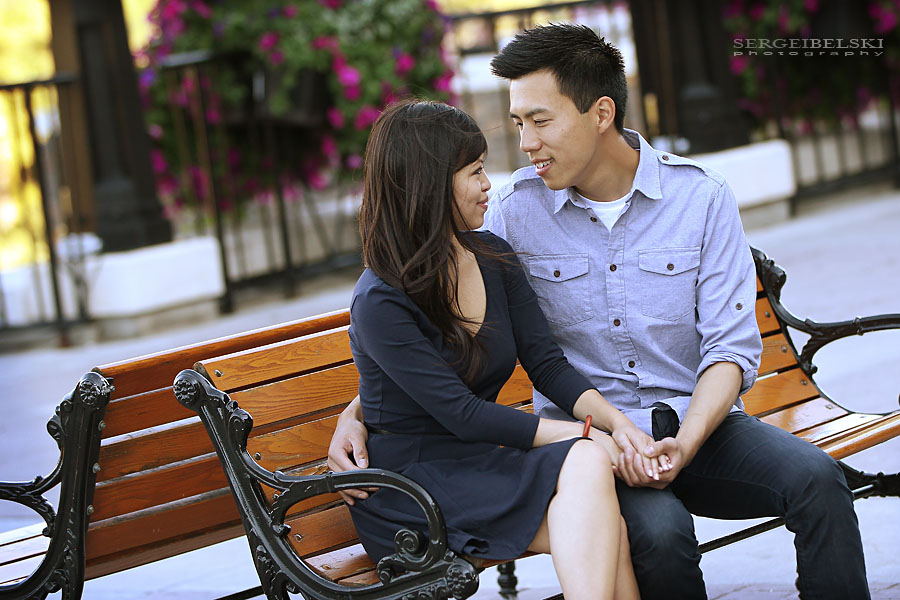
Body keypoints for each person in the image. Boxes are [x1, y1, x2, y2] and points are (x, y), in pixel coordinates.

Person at [330, 25, 870, 600]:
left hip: (697, 425)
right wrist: (360, 409)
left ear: (601, 112)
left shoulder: (700, 197)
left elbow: (730, 349)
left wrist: (683, 443)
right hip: (589, 442)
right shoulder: (513, 212)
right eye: (518, 125)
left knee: (819, 480)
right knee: (660, 537)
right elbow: (426, 317)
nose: (526, 144)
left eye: (540, 121)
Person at [344, 99, 651, 599]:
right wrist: (585, 434)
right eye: (475, 171)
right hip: (412, 487)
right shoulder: (380, 299)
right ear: (428, 185)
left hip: (481, 463)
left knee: (597, 512)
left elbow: (547, 364)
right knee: (594, 489)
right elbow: (461, 413)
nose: (489, 184)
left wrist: (616, 424)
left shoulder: (492, 255)